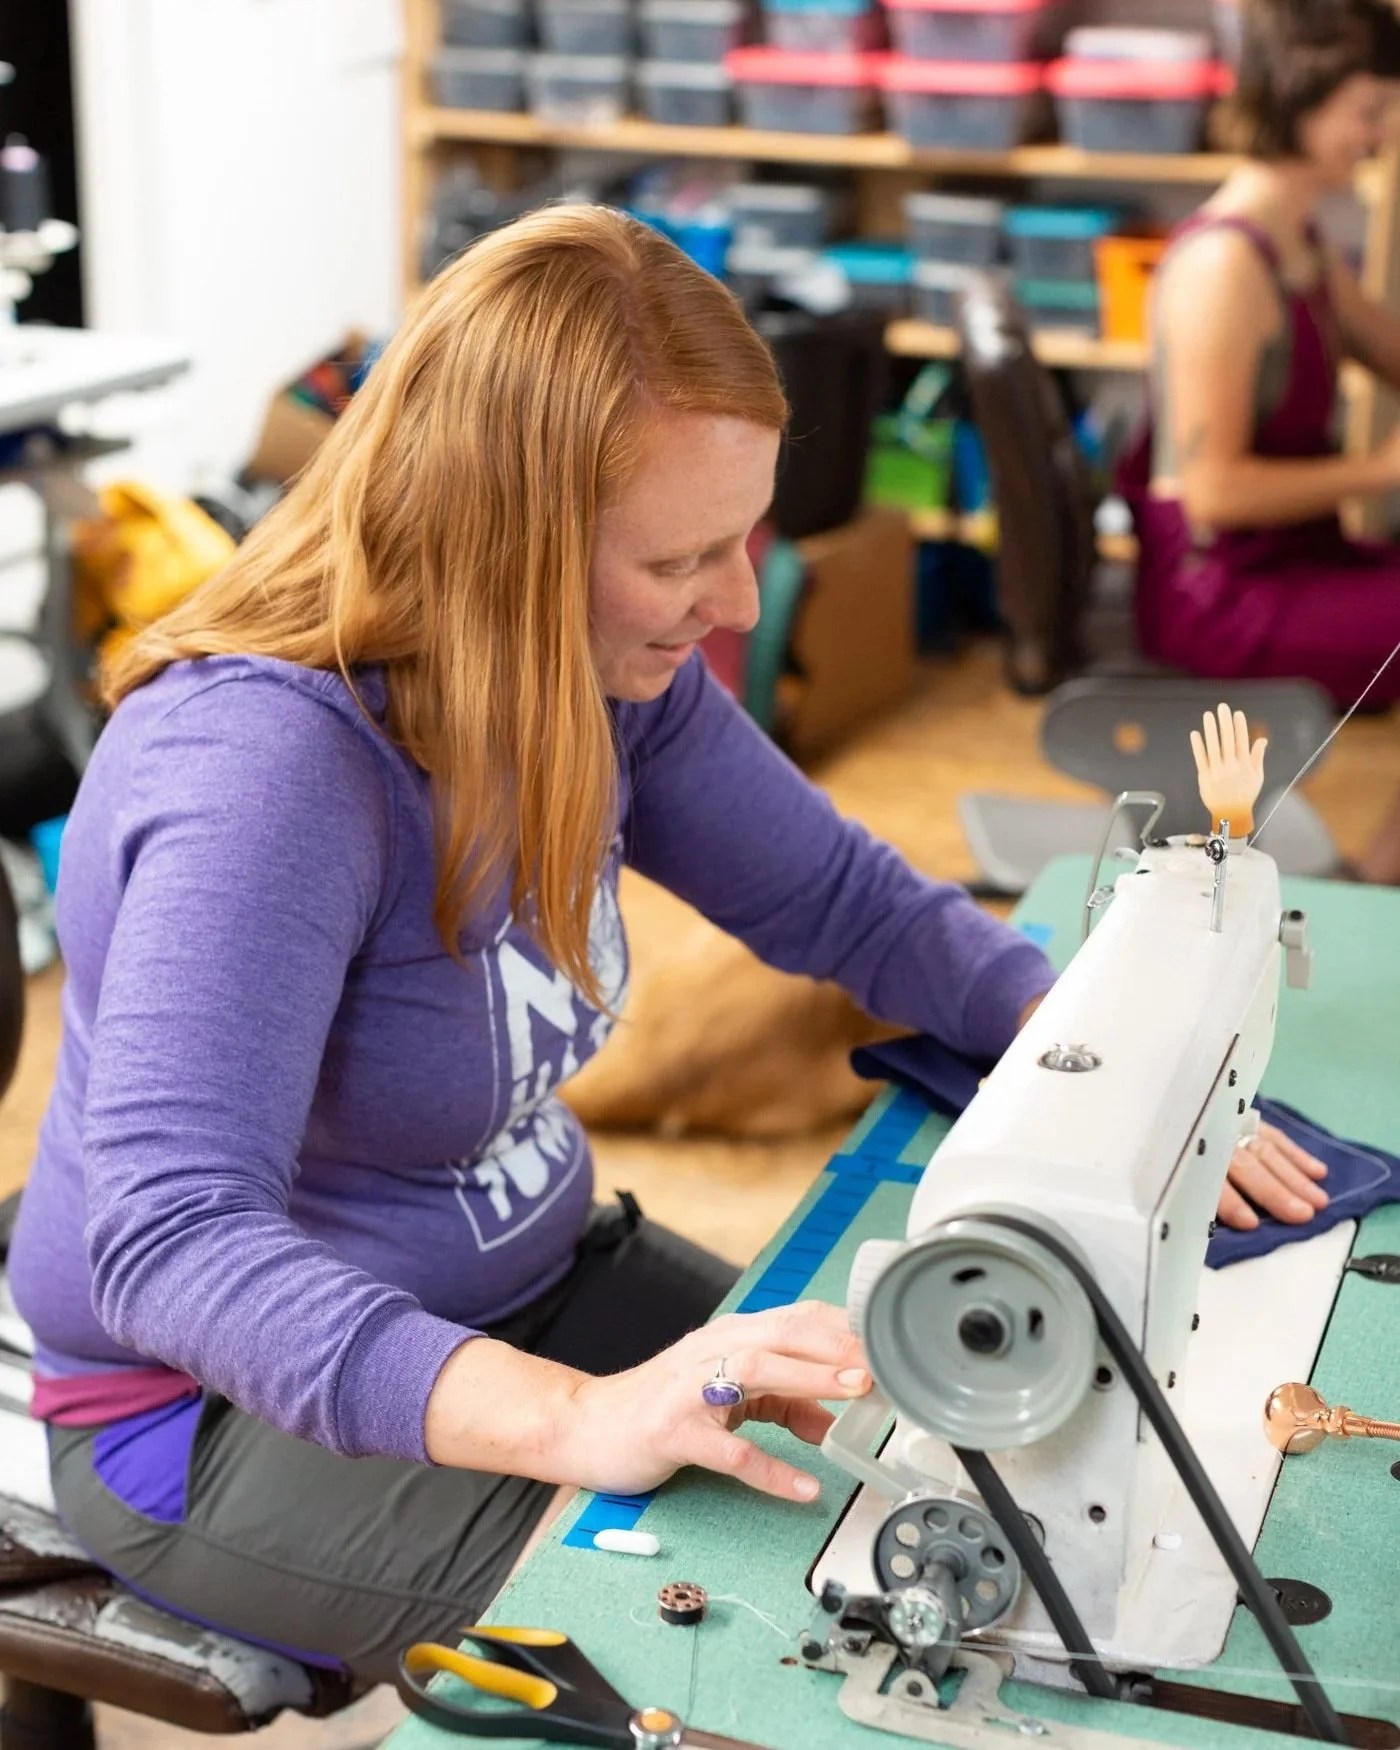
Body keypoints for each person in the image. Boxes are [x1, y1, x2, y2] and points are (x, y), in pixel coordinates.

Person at [8, 206, 1326, 1682]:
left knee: (942, 1474)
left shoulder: (599, 680)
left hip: (530, 1278)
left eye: (743, 535)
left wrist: (1125, 1064)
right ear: (497, 544)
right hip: (213, 1415)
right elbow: (169, 1238)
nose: (742, 602)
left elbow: (852, 903)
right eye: (685, 557)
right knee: (751, 1658)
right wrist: (579, 1415)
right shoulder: (268, 771)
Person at [1121, 0, 1400, 881]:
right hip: (1219, 590)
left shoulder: (1299, 240)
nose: (1382, 133)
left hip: (1282, 560)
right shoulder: (1225, 267)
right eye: (1368, 110)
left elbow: (1386, 347)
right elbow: (1214, 492)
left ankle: (1381, 875)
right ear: (1297, 101)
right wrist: (1382, 468)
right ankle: (1381, 883)